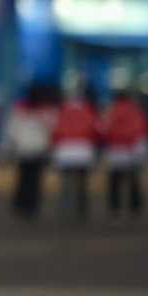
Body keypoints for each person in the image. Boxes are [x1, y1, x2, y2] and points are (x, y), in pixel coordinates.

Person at [0, 82, 57, 218]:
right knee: (33, 180)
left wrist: (5, 149)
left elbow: (10, 131)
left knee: (24, 179)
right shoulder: (46, 110)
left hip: (25, 149)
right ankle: (29, 207)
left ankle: (23, 206)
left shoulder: (21, 109)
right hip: (37, 150)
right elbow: (53, 130)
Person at [99, 89, 148, 218]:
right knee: (133, 180)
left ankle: (115, 207)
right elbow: (141, 129)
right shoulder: (135, 111)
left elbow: (103, 130)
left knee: (115, 181)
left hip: (114, 150)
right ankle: (135, 207)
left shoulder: (110, 111)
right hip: (131, 150)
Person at [51, 85, 97, 219]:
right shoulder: (88, 111)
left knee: (66, 184)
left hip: (65, 151)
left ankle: (66, 210)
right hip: (83, 151)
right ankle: (82, 209)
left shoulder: (62, 111)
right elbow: (95, 129)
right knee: (82, 183)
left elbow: (55, 130)